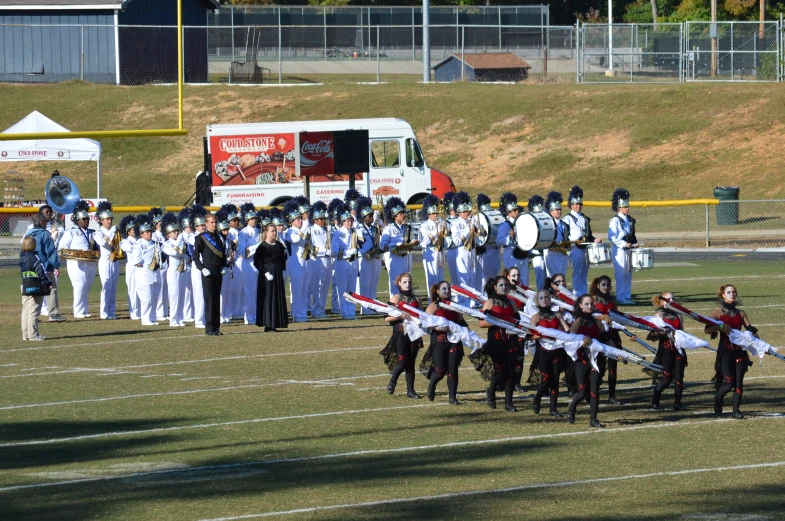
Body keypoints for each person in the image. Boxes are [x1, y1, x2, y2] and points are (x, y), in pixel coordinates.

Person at [705, 285, 757, 419]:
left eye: (734, 292)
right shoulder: (718, 313)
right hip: (726, 352)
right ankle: (717, 400)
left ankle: (736, 411)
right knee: (728, 383)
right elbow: (707, 329)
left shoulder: (741, 313)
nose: (732, 294)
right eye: (729, 292)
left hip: (740, 352)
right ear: (723, 295)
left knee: (739, 383)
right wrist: (721, 326)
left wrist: (761, 344)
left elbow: (750, 331)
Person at [567, 294, 613, 428]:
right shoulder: (577, 322)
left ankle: (593, 419)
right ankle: (572, 406)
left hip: (596, 361)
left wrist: (617, 353)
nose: (589, 306)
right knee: (582, 392)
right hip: (581, 361)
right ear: (580, 305)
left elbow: (606, 340)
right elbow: (569, 343)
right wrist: (582, 344)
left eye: (591, 304)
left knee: (595, 391)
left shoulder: (597, 322)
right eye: (586, 304)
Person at [478, 275, 519, 412]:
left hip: (511, 340)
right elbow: (481, 323)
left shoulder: (511, 303)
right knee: (499, 370)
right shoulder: (490, 302)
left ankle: (509, 402)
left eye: (506, 285)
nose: (504, 287)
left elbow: (517, 321)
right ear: (495, 287)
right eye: (501, 285)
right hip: (496, 341)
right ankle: (491, 392)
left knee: (510, 372)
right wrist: (499, 322)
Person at [530, 289, 570, 417]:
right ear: (538, 300)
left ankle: (553, 409)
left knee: (555, 381)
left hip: (557, 350)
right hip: (543, 351)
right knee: (545, 380)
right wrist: (546, 335)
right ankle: (537, 398)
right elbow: (530, 336)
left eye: (546, 297)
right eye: (541, 297)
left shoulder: (557, 315)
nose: (544, 299)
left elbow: (567, 330)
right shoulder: (536, 317)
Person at [425, 281, 466, 404]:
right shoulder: (434, 306)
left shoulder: (455, 305)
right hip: (439, 341)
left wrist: (469, 333)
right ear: (438, 291)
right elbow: (424, 323)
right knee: (440, 371)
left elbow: (461, 321)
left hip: (454, 341)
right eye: (444, 289)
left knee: (453, 369)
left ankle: (452, 397)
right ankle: (432, 386)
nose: (447, 290)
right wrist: (437, 328)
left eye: (448, 288)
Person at [384, 272, 423, 398]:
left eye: (409, 282)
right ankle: (393, 380)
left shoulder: (417, 299)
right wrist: (401, 316)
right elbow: (386, 318)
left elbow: (421, 316)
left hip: (414, 333)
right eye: (405, 282)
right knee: (402, 360)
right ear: (399, 283)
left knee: (411, 362)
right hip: (401, 333)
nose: (408, 284)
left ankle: (410, 391)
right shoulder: (395, 298)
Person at [58, 199, 98, 319]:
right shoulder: (71, 232)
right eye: (83, 219)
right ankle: (78, 311)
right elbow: (62, 248)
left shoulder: (92, 233)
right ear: (77, 221)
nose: (86, 221)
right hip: (76, 263)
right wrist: (75, 254)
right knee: (79, 285)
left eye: (87, 219)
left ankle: (84, 310)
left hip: (90, 263)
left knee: (87, 285)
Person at [649, 291, 687, 411]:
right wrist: (664, 332)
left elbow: (682, 331)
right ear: (661, 302)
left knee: (679, 377)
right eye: (668, 299)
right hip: (665, 350)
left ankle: (677, 402)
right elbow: (653, 333)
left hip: (678, 349)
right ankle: (655, 400)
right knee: (667, 377)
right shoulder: (659, 315)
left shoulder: (679, 315)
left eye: (673, 299)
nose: (671, 301)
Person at [23, 210, 64, 322]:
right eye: (45, 221)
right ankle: (53, 314)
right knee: (52, 288)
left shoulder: (28, 233)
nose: (47, 223)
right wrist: (55, 266)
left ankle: (33, 316)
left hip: (30, 266)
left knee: (34, 291)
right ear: (41, 222)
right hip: (44, 266)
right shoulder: (45, 234)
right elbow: (50, 252)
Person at [590, 275, 625, 405]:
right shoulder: (593, 299)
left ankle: (612, 396)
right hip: (598, 335)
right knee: (599, 365)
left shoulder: (613, 299)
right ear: (598, 286)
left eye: (608, 285)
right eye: (603, 284)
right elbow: (590, 315)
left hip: (611, 334)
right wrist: (601, 318)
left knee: (613, 365)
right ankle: (594, 394)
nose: (606, 287)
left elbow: (616, 315)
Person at [565, 186, 601, 296]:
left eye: (580, 204)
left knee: (584, 272)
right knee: (578, 272)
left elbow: (588, 234)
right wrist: (573, 241)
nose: (578, 206)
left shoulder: (584, 218)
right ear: (571, 205)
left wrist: (594, 239)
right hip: (575, 248)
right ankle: (576, 294)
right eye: (576, 204)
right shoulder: (567, 219)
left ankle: (583, 293)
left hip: (585, 247)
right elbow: (566, 235)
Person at [194, 213, 226, 336]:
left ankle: (216, 328)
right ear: (206, 224)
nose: (214, 225)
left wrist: (224, 265)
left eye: (215, 222)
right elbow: (195, 257)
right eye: (212, 222)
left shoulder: (220, 237)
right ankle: (209, 328)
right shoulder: (201, 237)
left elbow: (222, 254)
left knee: (217, 299)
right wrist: (202, 269)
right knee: (209, 299)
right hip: (207, 272)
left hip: (218, 271)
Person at [254, 223, 288, 332]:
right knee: (268, 298)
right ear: (266, 233)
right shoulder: (262, 246)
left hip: (277, 273)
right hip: (266, 275)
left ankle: (275, 323)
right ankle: (267, 324)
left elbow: (283, 259)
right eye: (272, 231)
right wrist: (265, 272)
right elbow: (256, 262)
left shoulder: (279, 245)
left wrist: (283, 270)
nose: (274, 233)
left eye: (275, 231)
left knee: (276, 297)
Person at [380, 197, 418, 297]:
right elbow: (382, 245)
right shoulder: (389, 228)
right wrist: (395, 245)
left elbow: (409, 240)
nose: (403, 215)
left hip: (405, 257)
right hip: (395, 258)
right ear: (395, 216)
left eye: (403, 213)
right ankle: (394, 301)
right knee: (395, 281)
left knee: (405, 280)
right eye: (401, 213)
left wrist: (413, 243)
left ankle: (405, 300)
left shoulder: (406, 228)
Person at [283, 200, 312, 323]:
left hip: (306, 262)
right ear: (291, 221)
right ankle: (296, 313)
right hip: (295, 264)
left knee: (304, 291)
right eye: (297, 219)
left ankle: (302, 312)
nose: (300, 221)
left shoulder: (305, 230)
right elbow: (295, 240)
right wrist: (305, 226)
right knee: (297, 290)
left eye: (300, 218)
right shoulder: (288, 232)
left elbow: (309, 245)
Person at [130, 215, 161, 326]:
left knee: (155, 297)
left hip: (156, 272)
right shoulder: (139, 244)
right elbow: (136, 261)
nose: (149, 233)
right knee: (146, 298)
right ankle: (146, 319)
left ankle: (152, 318)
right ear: (141, 234)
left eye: (150, 231)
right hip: (144, 273)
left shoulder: (154, 243)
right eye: (147, 232)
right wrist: (148, 264)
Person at [608, 188, 638, 305]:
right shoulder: (615, 220)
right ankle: (620, 297)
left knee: (628, 273)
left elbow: (632, 235)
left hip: (628, 249)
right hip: (619, 250)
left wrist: (634, 244)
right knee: (620, 273)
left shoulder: (630, 220)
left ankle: (627, 296)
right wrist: (623, 244)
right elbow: (612, 237)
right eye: (625, 206)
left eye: (627, 206)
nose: (627, 208)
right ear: (619, 207)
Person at [330, 203, 360, 320]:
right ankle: (344, 311)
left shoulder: (354, 232)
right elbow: (335, 251)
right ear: (342, 221)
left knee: (352, 288)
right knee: (342, 289)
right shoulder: (337, 234)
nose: (350, 223)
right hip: (342, 263)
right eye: (347, 221)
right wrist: (349, 252)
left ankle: (351, 311)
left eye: (351, 220)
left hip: (353, 262)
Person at [450, 191, 478, 307]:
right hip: (462, 252)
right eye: (464, 211)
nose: (467, 213)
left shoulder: (472, 221)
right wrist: (468, 230)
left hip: (472, 251)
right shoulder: (455, 224)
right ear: (459, 212)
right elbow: (456, 241)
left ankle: (471, 302)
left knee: (472, 277)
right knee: (464, 278)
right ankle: (462, 301)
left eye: (468, 211)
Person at [20, 236, 50, 341]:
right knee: (34, 310)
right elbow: (41, 271)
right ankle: (33, 334)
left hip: (25, 284)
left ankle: (26, 334)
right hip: (35, 285)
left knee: (26, 310)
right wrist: (47, 282)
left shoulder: (22, 256)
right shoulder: (34, 257)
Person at [356, 196, 382, 314]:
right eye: (369, 216)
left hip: (374, 257)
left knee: (373, 282)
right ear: (363, 218)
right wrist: (366, 252)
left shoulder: (374, 228)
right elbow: (358, 244)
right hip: (364, 257)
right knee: (365, 283)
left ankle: (373, 305)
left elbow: (377, 241)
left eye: (372, 215)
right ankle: (365, 307)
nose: (371, 218)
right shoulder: (359, 228)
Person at [497, 192, 528, 287]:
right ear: (508, 213)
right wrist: (509, 237)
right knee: (512, 278)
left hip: (523, 253)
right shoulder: (504, 226)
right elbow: (499, 242)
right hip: (511, 253)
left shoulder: (522, 223)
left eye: (517, 209)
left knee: (524, 279)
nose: (517, 211)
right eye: (514, 210)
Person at [161, 212, 187, 327]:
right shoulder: (166, 244)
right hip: (172, 272)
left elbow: (185, 254)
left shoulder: (181, 242)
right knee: (174, 296)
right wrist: (179, 243)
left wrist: (180, 245)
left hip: (182, 270)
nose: (176, 232)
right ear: (168, 235)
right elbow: (174, 253)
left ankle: (180, 318)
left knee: (182, 294)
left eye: (177, 230)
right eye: (173, 231)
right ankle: (173, 320)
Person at [95, 201, 120, 320]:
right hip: (105, 261)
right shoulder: (98, 233)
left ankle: (111, 310)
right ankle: (104, 312)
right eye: (107, 219)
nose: (110, 221)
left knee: (113, 286)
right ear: (101, 221)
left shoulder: (115, 232)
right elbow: (104, 243)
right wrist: (112, 231)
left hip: (115, 261)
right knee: (106, 285)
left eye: (110, 219)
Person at [237, 203, 260, 325]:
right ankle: (249, 316)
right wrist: (258, 246)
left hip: (258, 264)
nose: (254, 220)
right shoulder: (243, 233)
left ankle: (256, 315)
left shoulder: (259, 231)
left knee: (257, 291)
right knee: (249, 291)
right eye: (251, 218)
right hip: (248, 264)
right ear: (247, 220)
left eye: (255, 218)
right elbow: (243, 251)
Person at [308, 201, 332, 319]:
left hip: (327, 259)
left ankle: (321, 309)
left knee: (325, 285)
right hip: (317, 260)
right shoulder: (311, 230)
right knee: (317, 285)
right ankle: (316, 310)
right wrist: (323, 251)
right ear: (315, 220)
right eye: (321, 219)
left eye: (324, 218)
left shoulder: (326, 230)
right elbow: (311, 247)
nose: (323, 220)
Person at [418, 195, 445, 297]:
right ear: (428, 215)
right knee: (432, 277)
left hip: (440, 251)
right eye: (433, 214)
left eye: (436, 213)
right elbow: (424, 241)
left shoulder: (441, 222)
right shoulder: (424, 226)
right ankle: (432, 299)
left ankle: (442, 297)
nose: (435, 215)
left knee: (441, 276)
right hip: (430, 253)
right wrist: (436, 231)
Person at [221, 204, 244, 321]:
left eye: (237, 220)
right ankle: (232, 311)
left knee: (241, 287)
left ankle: (240, 310)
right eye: (234, 220)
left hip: (240, 259)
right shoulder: (228, 233)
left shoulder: (240, 231)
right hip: (233, 261)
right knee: (234, 288)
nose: (236, 222)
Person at [187, 205, 208, 329]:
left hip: (207, 266)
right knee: (199, 293)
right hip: (197, 267)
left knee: (206, 293)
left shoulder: (206, 235)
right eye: (201, 226)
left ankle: (205, 318)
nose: (203, 227)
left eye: (204, 225)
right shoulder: (192, 237)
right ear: (196, 227)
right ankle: (199, 320)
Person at [543, 191, 570, 280]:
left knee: (562, 277)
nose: (559, 211)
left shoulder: (564, 224)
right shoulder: (547, 223)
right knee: (554, 278)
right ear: (551, 211)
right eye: (557, 209)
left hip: (562, 253)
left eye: (560, 209)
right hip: (552, 253)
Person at [476, 193, 500, 291]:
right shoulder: (478, 218)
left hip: (495, 249)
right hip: (486, 249)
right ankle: (484, 294)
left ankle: (491, 293)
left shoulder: (492, 214)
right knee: (486, 276)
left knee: (494, 274)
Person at [149, 208, 169, 322]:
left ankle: (165, 311)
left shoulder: (165, 235)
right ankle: (159, 312)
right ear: (155, 225)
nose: (162, 225)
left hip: (166, 263)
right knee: (160, 289)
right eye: (159, 224)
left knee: (165, 289)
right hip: (159, 263)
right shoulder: (154, 235)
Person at [118, 215, 140, 320]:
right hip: (132, 267)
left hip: (141, 267)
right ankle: (133, 312)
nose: (134, 231)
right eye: (132, 229)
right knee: (133, 290)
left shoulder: (139, 240)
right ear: (127, 231)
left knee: (141, 289)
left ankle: (140, 311)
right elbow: (131, 249)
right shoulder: (125, 241)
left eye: (135, 229)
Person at [528, 195, 548, 291]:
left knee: (548, 276)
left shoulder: (544, 219)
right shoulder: (530, 220)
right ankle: (541, 294)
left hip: (546, 251)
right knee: (540, 277)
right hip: (536, 252)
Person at [178, 208, 195, 323]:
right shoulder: (181, 236)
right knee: (186, 291)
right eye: (189, 226)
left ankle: (192, 313)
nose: (191, 228)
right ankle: (186, 314)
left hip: (193, 264)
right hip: (185, 265)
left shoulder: (193, 235)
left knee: (193, 290)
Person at [442, 191, 459, 283]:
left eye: (455, 209)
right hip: (451, 248)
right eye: (452, 210)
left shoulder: (461, 220)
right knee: (453, 274)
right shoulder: (446, 221)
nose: (454, 212)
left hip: (461, 248)